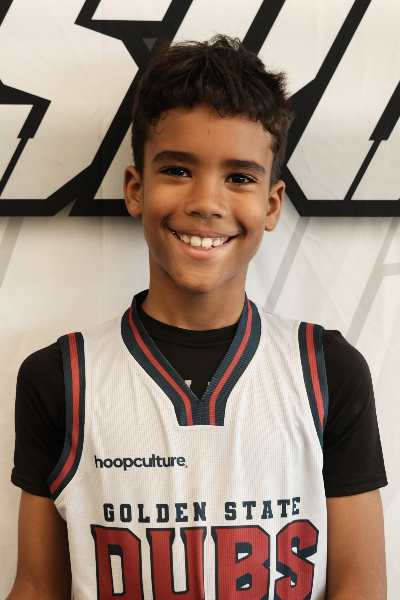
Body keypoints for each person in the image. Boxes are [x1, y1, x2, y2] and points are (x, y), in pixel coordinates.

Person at [8, 35, 387, 600]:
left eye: (240, 177)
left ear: (272, 203)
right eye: (178, 170)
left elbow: (360, 586)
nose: (207, 202)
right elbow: (38, 586)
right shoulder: (60, 377)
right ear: (135, 189)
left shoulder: (328, 371)